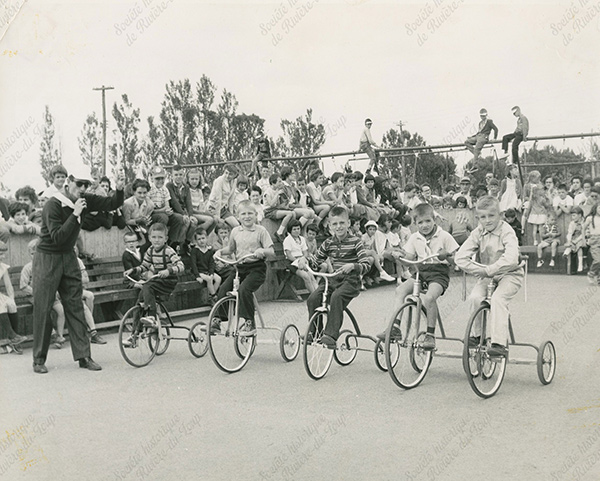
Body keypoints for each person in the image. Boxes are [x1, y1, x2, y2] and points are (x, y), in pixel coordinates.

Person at [32, 168, 125, 373]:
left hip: (68, 257)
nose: (82, 189)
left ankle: (84, 357)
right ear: (69, 181)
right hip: (47, 258)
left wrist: (119, 188)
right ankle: (38, 359)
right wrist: (75, 214)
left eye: (86, 185)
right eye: (79, 184)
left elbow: (112, 203)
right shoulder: (52, 205)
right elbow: (57, 237)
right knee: (43, 308)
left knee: (75, 306)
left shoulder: (85, 199)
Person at [377, 203, 458, 350]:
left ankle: (430, 335)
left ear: (434, 220)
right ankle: (395, 328)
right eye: (420, 222)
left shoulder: (444, 236)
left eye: (428, 221)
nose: (424, 225)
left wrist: (446, 255)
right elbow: (408, 258)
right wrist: (398, 255)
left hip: (439, 274)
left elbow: (456, 261)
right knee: (400, 290)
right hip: (420, 273)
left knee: (428, 298)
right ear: (415, 224)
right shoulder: (415, 237)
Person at [455, 196, 523, 358]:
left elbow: (512, 258)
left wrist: (490, 270)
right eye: (483, 217)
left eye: (491, 215)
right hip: (486, 275)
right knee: (475, 298)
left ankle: (499, 343)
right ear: (478, 218)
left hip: (510, 274)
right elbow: (460, 257)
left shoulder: (507, 231)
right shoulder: (477, 232)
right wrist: (478, 269)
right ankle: (477, 336)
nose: (487, 221)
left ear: (500, 214)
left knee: (498, 299)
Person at [306, 206, 371, 348]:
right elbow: (316, 261)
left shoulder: (356, 242)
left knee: (337, 297)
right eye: (335, 224)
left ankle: (330, 335)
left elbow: (366, 264)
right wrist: (304, 261)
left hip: (351, 281)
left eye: (342, 223)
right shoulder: (328, 243)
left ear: (348, 223)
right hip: (334, 279)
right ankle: (315, 332)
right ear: (329, 226)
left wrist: (353, 266)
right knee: (313, 298)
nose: (339, 227)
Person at [213, 200, 275, 336]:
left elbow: (271, 251)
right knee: (224, 288)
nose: (247, 216)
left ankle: (249, 322)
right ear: (238, 216)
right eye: (243, 214)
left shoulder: (260, 231)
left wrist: (262, 251)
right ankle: (218, 320)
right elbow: (231, 249)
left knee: (244, 289)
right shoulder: (235, 231)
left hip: (256, 268)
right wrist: (220, 252)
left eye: (250, 213)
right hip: (240, 268)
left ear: (256, 215)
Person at [124, 223, 185, 328]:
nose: (157, 240)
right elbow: (144, 266)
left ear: (165, 239)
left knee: (147, 286)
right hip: (157, 280)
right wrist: (133, 270)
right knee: (140, 301)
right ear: (149, 238)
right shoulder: (150, 250)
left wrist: (169, 271)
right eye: (154, 237)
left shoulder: (168, 251)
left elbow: (181, 266)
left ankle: (151, 316)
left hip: (168, 282)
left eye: (160, 237)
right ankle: (135, 333)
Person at [147, 166, 186, 250]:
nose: (160, 181)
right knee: (163, 217)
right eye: (157, 179)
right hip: (153, 214)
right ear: (152, 178)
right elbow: (149, 210)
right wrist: (163, 210)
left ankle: (172, 241)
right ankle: (160, 242)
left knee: (179, 218)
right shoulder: (149, 190)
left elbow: (167, 204)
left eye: (162, 178)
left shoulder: (164, 189)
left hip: (162, 211)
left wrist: (168, 210)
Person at [0, 241, 27, 354]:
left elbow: (9, 286)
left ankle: (15, 341)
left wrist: (11, 299)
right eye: (0, 253)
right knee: (1, 303)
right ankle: (12, 336)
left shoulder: (2, 267)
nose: (3, 256)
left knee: (10, 304)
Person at [166, 165, 198, 254]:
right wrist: (184, 214)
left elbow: (188, 202)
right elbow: (174, 202)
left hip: (184, 211)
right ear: (172, 176)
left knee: (194, 222)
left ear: (183, 175)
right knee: (186, 221)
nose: (178, 177)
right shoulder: (169, 186)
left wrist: (190, 215)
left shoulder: (186, 187)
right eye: (176, 175)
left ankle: (186, 243)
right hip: (174, 211)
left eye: (180, 174)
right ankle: (175, 243)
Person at [283, 220, 318, 293]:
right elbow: (289, 255)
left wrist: (303, 259)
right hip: (292, 262)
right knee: (306, 276)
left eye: (298, 229)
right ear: (290, 230)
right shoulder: (287, 240)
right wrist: (298, 261)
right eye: (294, 229)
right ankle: (313, 295)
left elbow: (305, 253)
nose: (296, 231)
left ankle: (317, 294)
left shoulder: (302, 239)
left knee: (311, 276)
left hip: (303, 260)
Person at [190, 228, 221, 304]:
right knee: (209, 279)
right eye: (199, 239)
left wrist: (211, 273)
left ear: (207, 238)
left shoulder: (209, 250)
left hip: (207, 271)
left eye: (203, 238)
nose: (201, 241)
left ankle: (210, 295)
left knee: (218, 279)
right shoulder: (195, 251)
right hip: (199, 272)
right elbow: (193, 264)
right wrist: (197, 276)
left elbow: (211, 263)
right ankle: (214, 296)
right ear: (196, 241)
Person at [122, 178, 154, 250]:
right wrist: (138, 221)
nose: (142, 195)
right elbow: (126, 221)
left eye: (145, 193)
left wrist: (145, 221)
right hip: (129, 227)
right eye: (139, 193)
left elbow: (147, 219)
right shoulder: (127, 204)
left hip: (142, 227)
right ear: (134, 192)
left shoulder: (150, 204)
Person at [264, 173, 296, 242]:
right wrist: (277, 194)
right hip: (269, 211)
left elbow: (278, 204)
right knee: (289, 214)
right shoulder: (268, 192)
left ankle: (288, 233)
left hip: (275, 210)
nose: (281, 183)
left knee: (293, 213)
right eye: (279, 181)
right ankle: (279, 232)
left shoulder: (277, 190)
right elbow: (271, 204)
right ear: (273, 183)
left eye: (281, 181)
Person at [361, 220, 395, 284]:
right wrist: (371, 252)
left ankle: (373, 274)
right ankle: (382, 272)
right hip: (362, 252)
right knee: (373, 253)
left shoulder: (373, 237)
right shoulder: (363, 237)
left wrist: (375, 254)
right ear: (367, 230)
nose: (372, 231)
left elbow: (372, 247)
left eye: (374, 230)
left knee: (380, 257)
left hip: (369, 253)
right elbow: (360, 248)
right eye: (370, 229)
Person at [207, 164, 240, 228]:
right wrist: (218, 217)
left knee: (236, 225)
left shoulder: (234, 181)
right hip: (213, 208)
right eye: (226, 173)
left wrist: (231, 213)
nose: (227, 176)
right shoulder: (219, 180)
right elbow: (218, 199)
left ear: (235, 175)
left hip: (224, 209)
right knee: (219, 226)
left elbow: (231, 199)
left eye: (230, 174)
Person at [523, 170, 548, 245]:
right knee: (540, 228)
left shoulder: (540, 185)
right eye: (537, 178)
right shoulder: (527, 185)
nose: (539, 180)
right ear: (532, 178)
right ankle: (540, 240)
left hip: (534, 211)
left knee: (536, 228)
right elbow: (525, 197)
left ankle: (535, 241)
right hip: (539, 212)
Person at [563, 207, 585, 273]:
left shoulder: (584, 222)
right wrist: (569, 240)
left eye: (574, 215)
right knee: (570, 243)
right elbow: (570, 233)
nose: (572, 217)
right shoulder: (572, 223)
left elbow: (584, 234)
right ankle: (568, 249)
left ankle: (580, 264)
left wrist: (576, 240)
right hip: (573, 238)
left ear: (580, 215)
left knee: (579, 246)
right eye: (572, 215)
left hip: (582, 238)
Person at [583, 204, 600, 284]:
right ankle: (591, 273)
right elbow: (583, 228)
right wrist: (584, 239)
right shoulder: (590, 218)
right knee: (598, 259)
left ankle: (599, 278)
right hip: (594, 240)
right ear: (595, 208)